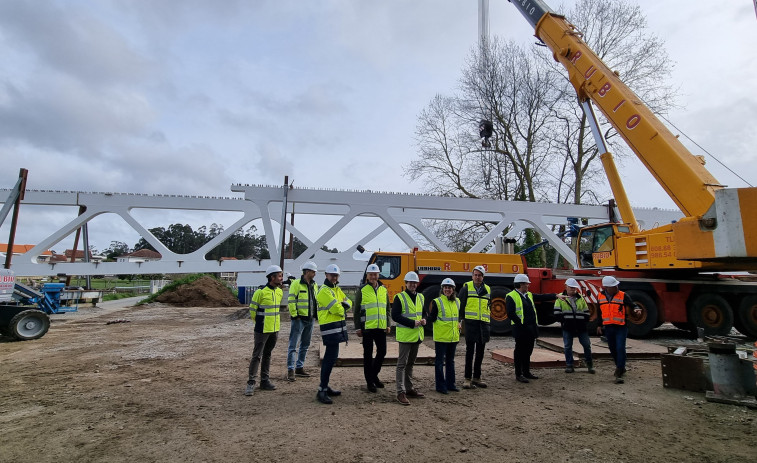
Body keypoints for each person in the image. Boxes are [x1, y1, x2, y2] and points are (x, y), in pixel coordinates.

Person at [506, 273, 564, 383]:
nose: (528, 286)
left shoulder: (529, 295)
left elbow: (541, 297)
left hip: (531, 328)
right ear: (521, 284)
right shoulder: (511, 296)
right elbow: (510, 313)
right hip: (520, 329)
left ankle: (526, 372)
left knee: (528, 351)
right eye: (527, 284)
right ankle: (519, 374)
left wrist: (555, 295)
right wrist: (521, 324)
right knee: (519, 351)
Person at [245, 265, 284, 396]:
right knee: (257, 355)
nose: (281, 278)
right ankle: (251, 383)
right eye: (279, 275)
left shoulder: (279, 292)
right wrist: (259, 323)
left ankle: (264, 381)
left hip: (274, 329)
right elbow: (252, 310)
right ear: (272, 277)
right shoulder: (260, 292)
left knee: (268, 355)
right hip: (262, 329)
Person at [315, 264, 351, 404]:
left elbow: (349, 302)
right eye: (332, 275)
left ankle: (325, 386)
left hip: (336, 327)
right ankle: (322, 389)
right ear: (326, 275)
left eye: (336, 275)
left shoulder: (336, 289)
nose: (334, 277)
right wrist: (343, 306)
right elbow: (337, 309)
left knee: (332, 358)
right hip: (330, 328)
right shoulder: (324, 291)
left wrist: (343, 305)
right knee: (329, 359)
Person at [596, 276, 640, 384]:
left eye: (616, 285)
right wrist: (598, 325)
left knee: (620, 347)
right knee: (612, 348)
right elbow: (599, 312)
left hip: (621, 326)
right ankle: (620, 366)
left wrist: (636, 309)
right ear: (606, 287)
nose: (616, 287)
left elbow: (633, 305)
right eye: (613, 286)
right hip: (608, 327)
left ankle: (619, 370)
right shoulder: (600, 296)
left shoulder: (623, 295)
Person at [354, 263, 391, 393]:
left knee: (382, 352)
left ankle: (373, 375)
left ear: (378, 275)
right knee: (368, 356)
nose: (373, 276)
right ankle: (370, 382)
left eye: (375, 274)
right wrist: (358, 327)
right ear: (368, 276)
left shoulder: (383, 289)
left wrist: (388, 324)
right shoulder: (362, 290)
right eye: (371, 274)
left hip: (381, 327)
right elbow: (356, 310)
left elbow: (387, 308)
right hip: (367, 328)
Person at [391, 271, 427, 405]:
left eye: (414, 283)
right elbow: (395, 316)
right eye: (410, 282)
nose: (412, 284)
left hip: (417, 335)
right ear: (406, 283)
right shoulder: (399, 297)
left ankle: (409, 388)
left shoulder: (421, 297)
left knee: (411, 364)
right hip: (406, 336)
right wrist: (412, 323)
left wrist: (424, 320)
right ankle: (400, 392)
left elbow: (424, 313)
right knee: (402, 364)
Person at [458, 265, 490, 389]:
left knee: (480, 352)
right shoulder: (466, 288)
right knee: (470, 352)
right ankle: (467, 378)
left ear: (483, 277)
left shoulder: (487, 289)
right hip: (471, 324)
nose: (477, 277)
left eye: (480, 275)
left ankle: (477, 377)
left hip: (483, 324)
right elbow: (460, 305)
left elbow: (488, 306)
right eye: (475, 275)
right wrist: (460, 321)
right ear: (472, 276)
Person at [286, 261, 318, 382]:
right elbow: (291, 300)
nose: (315, 273)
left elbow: (316, 300)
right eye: (313, 271)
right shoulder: (296, 284)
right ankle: (290, 369)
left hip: (310, 319)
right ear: (307, 272)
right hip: (299, 320)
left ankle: (299, 367)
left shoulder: (315, 285)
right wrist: (295, 315)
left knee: (305, 345)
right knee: (293, 345)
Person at [554, 278, 594, 374]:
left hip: (581, 326)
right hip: (568, 326)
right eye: (571, 288)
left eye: (574, 288)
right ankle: (569, 365)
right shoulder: (560, 298)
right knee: (568, 346)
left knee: (586, 345)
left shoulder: (581, 298)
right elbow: (557, 313)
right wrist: (564, 322)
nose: (573, 290)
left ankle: (589, 364)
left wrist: (584, 321)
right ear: (566, 287)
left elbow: (586, 312)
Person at [428, 278, 461, 394]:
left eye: (449, 287)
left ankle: (451, 384)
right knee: (439, 362)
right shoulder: (437, 302)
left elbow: (458, 317)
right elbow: (431, 318)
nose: (447, 289)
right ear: (442, 289)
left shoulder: (457, 301)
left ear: (453, 289)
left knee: (450, 361)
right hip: (441, 337)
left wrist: (459, 323)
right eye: (445, 287)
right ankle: (441, 386)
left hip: (453, 337)